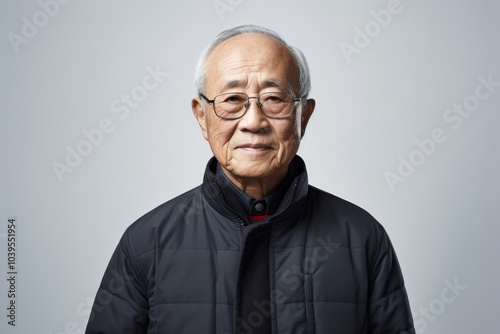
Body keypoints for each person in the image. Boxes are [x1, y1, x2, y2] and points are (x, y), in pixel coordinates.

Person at [85, 24, 415, 334]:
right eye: (232, 100)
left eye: (274, 99)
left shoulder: (362, 237)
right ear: (202, 116)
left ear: (304, 115)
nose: (253, 121)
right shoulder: (146, 243)